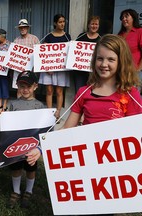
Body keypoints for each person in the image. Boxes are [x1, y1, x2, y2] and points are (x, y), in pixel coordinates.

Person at [26, 34, 142, 199]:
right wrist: (41, 148)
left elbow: (136, 135)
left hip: (115, 169)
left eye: (111, 59)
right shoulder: (84, 92)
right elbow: (67, 128)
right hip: (87, 165)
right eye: (100, 58)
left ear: (121, 61)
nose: (104, 64)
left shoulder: (130, 94)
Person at [6, 71, 45, 209]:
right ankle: (16, 191)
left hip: (31, 147)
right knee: (15, 168)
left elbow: (43, 129)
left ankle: (28, 191)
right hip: (16, 145)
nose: (25, 89)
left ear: (35, 86)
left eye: (28, 86)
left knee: (30, 169)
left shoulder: (40, 106)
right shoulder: (12, 104)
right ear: (17, 85)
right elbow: (7, 124)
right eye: (22, 86)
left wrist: (39, 147)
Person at [38, 14, 71, 122]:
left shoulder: (67, 37)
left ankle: (57, 113)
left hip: (61, 69)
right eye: (60, 22)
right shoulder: (48, 36)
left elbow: (69, 53)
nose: (62, 24)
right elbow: (43, 53)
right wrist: (47, 67)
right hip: (49, 69)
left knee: (59, 91)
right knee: (49, 90)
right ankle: (49, 113)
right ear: (55, 23)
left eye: (63, 22)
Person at [74, 16, 101, 92]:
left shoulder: (101, 38)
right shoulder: (81, 36)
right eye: (92, 24)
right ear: (88, 25)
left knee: (92, 91)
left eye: (96, 24)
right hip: (80, 71)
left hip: (94, 72)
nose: (94, 26)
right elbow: (74, 51)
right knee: (79, 91)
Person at [13, 19, 40, 97]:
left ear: (27, 28)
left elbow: (39, 53)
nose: (22, 29)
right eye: (21, 28)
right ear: (19, 29)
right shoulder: (16, 41)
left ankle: (31, 107)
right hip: (18, 69)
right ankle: (19, 108)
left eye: (24, 27)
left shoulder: (34, 39)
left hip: (30, 70)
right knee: (19, 89)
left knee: (31, 89)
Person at [118, 8, 142, 92]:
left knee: (134, 96)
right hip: (121, 71)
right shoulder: (120, 34)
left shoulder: (140, 31)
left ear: (133, 18)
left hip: (134, 71)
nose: (124, 19)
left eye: (126, 16)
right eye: (122, 17)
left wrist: (139, 68)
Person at [0, 29, 11, 111]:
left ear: (3, 36)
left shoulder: (9, 45)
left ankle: (5, 104)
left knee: (4, 85)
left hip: (5, 69)